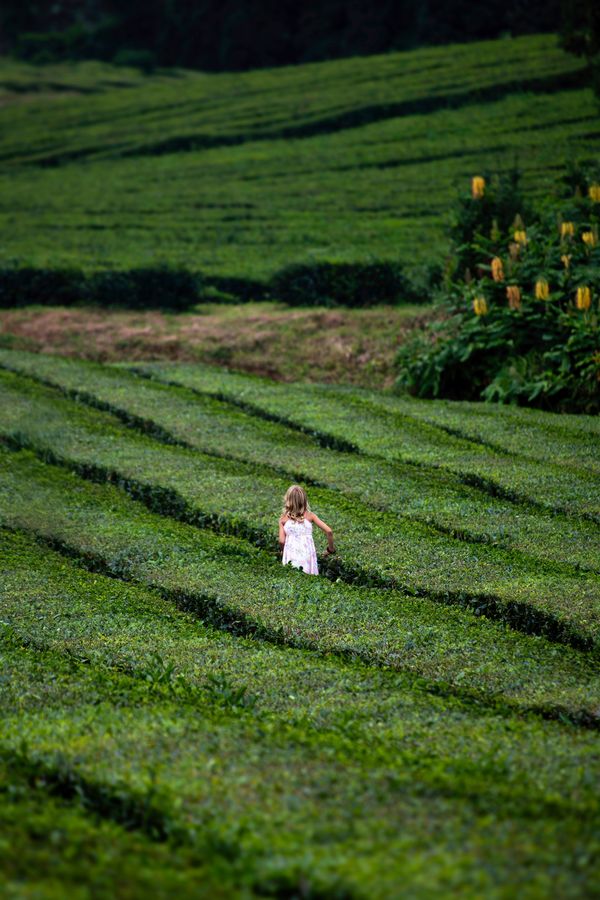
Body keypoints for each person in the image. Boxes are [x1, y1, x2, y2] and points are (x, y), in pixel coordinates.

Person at [279, 484, 335, 575]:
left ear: (288, 499)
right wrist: (330, 549)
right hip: (307, 555)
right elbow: (329, 531)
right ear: (304, 500)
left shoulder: (283, 519)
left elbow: (281, 541)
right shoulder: (310, 516)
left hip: (290, 554)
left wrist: (282, 551)